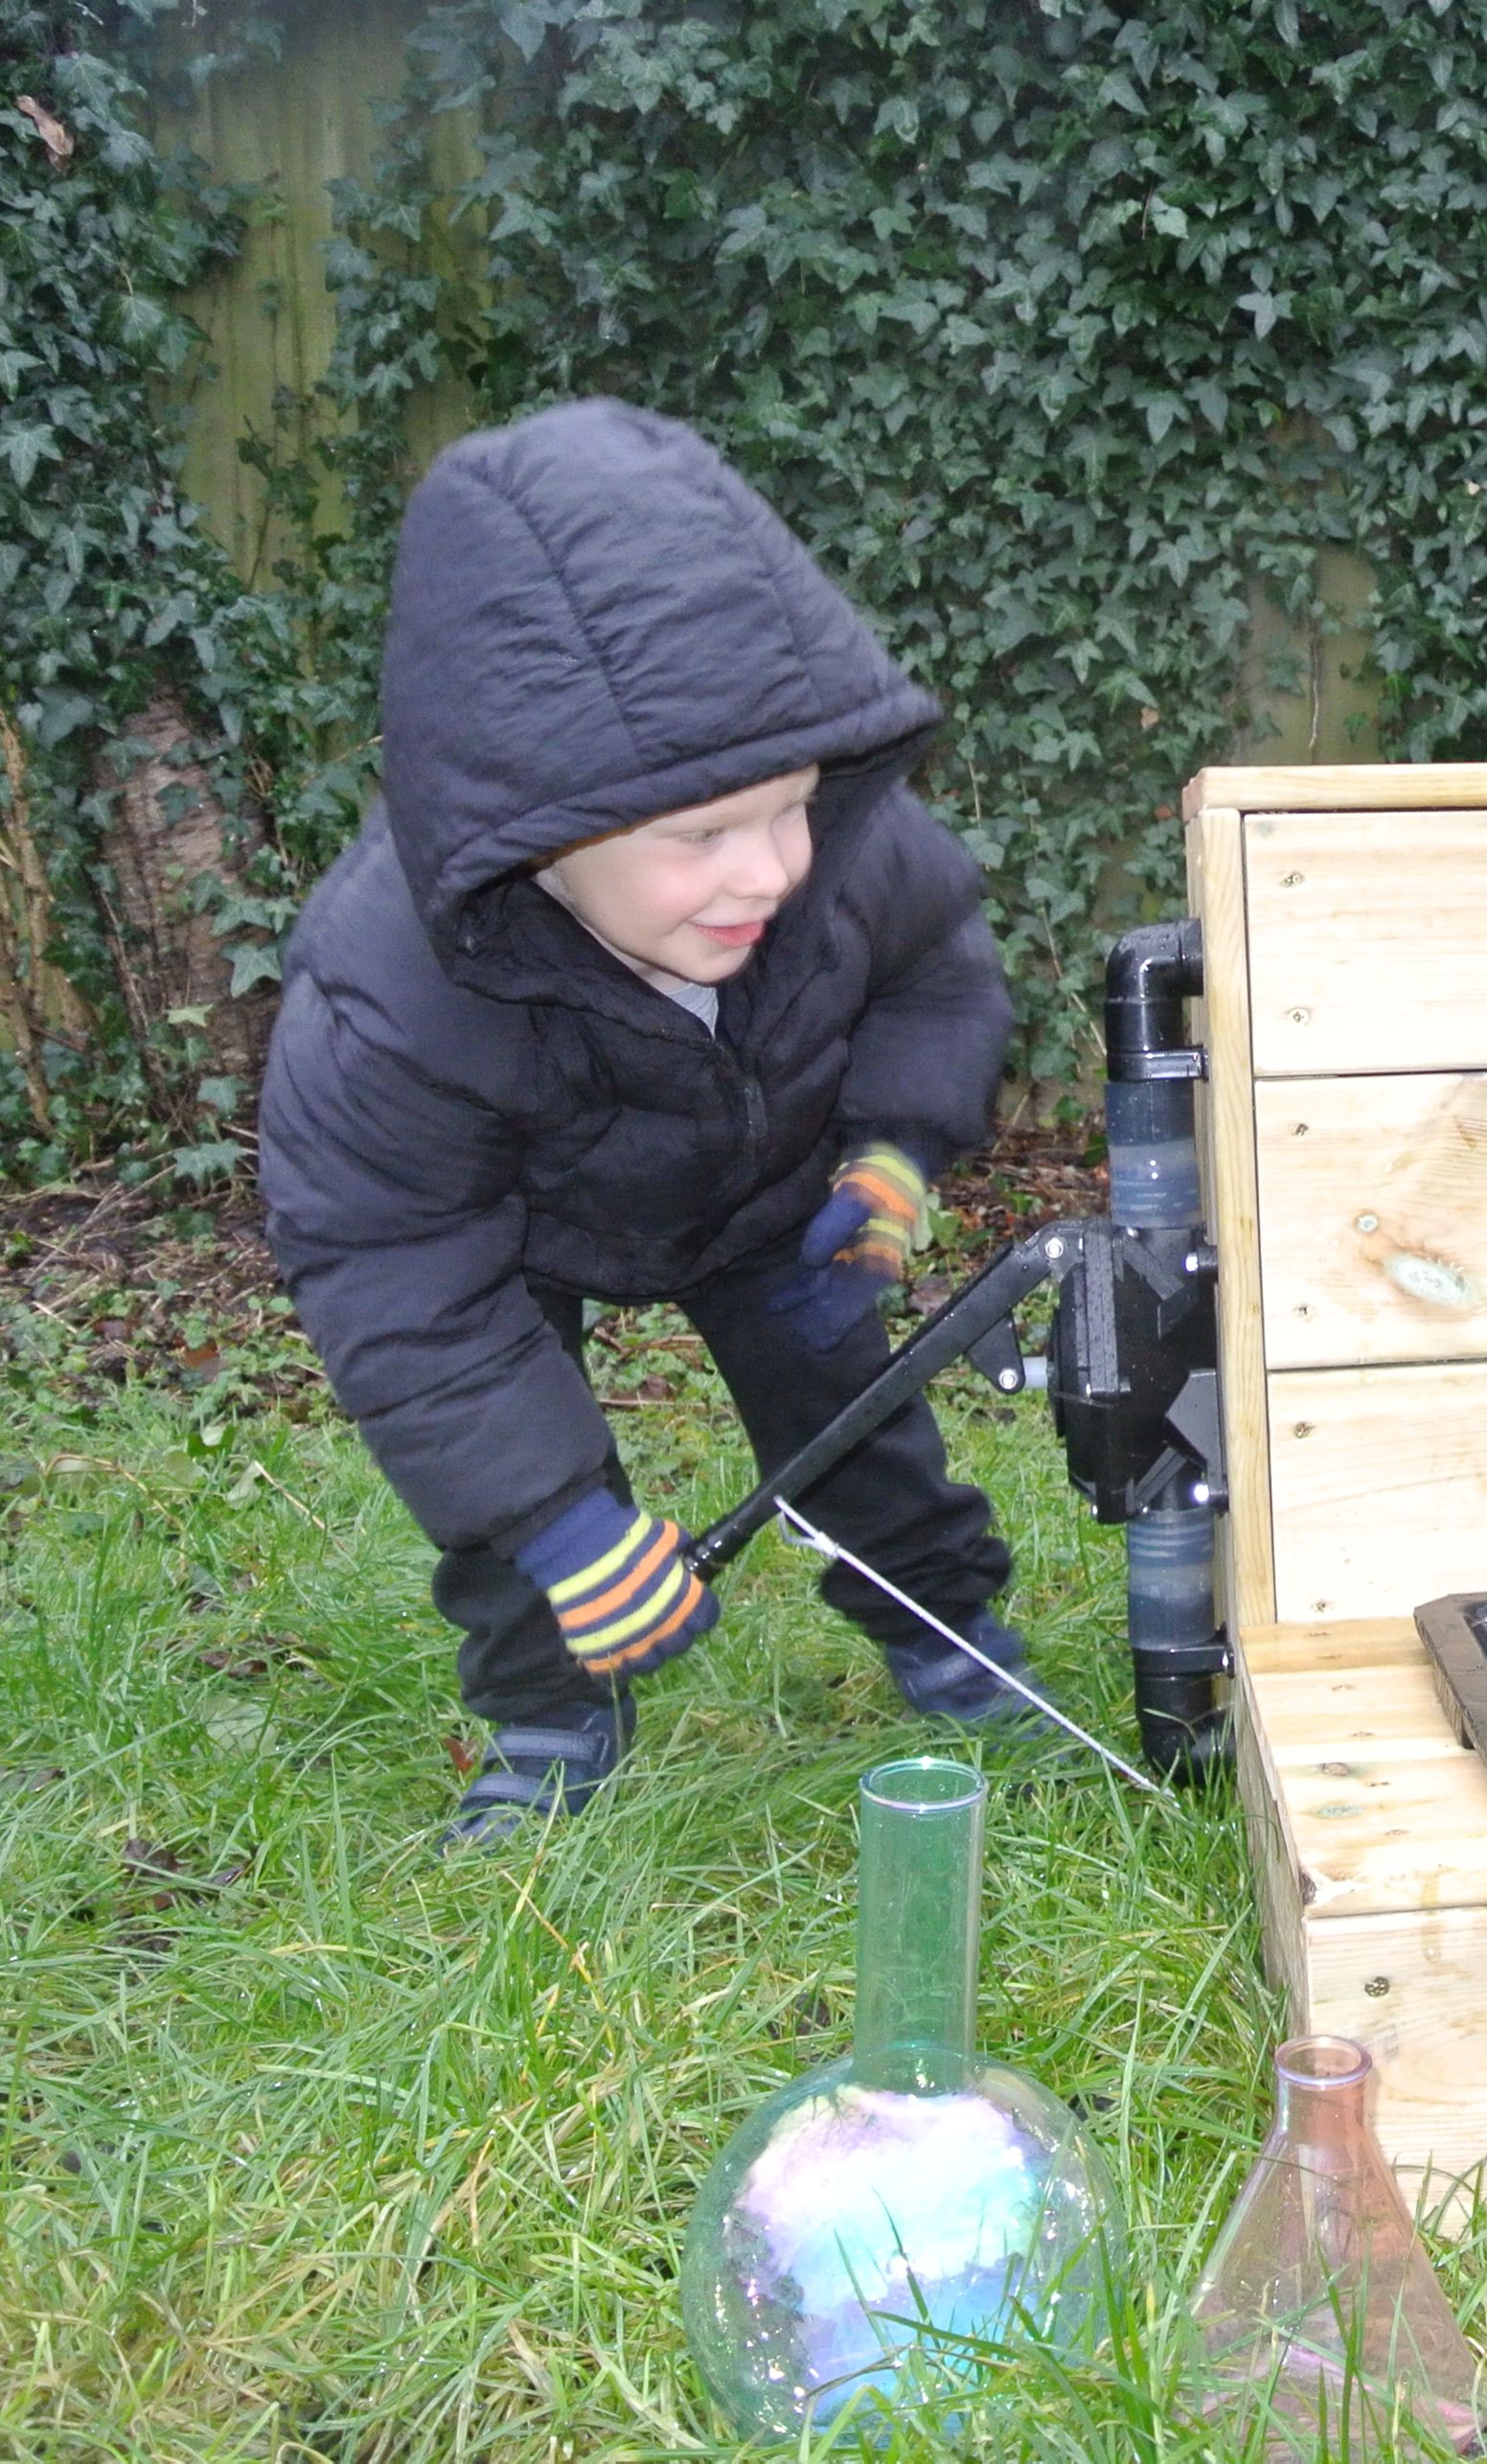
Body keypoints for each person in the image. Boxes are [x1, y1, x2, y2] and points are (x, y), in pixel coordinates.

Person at [261, 399, 1030, 1849]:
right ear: (540, 833)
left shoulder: (843, 861)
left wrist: (895, 1151)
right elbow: (400, 1282)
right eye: (700, 836)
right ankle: (551, 1719)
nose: (767, 870)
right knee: (516, 1482)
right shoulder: (390, 995)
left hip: (766, 1188)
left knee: (849, 1404)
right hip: (523, 1230)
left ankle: (951, 1628)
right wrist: (558, 1522)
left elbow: (940, 975)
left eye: (790, 806)